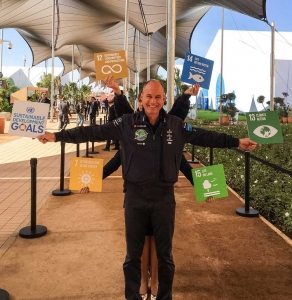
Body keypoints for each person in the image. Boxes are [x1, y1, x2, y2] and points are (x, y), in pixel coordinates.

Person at [37, 76, 257, 300]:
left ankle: (164, 296)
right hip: (135, 198)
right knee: (133, 256)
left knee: (166, 256)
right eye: (149, 96)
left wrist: (236, 142)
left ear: (163, 99)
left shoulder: (176, 125)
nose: (153, 101)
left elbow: (205, 136)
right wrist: (55, 136)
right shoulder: (126, 123)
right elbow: (91, 132)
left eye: (158, 97)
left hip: (164, 199)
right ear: (140, 99)